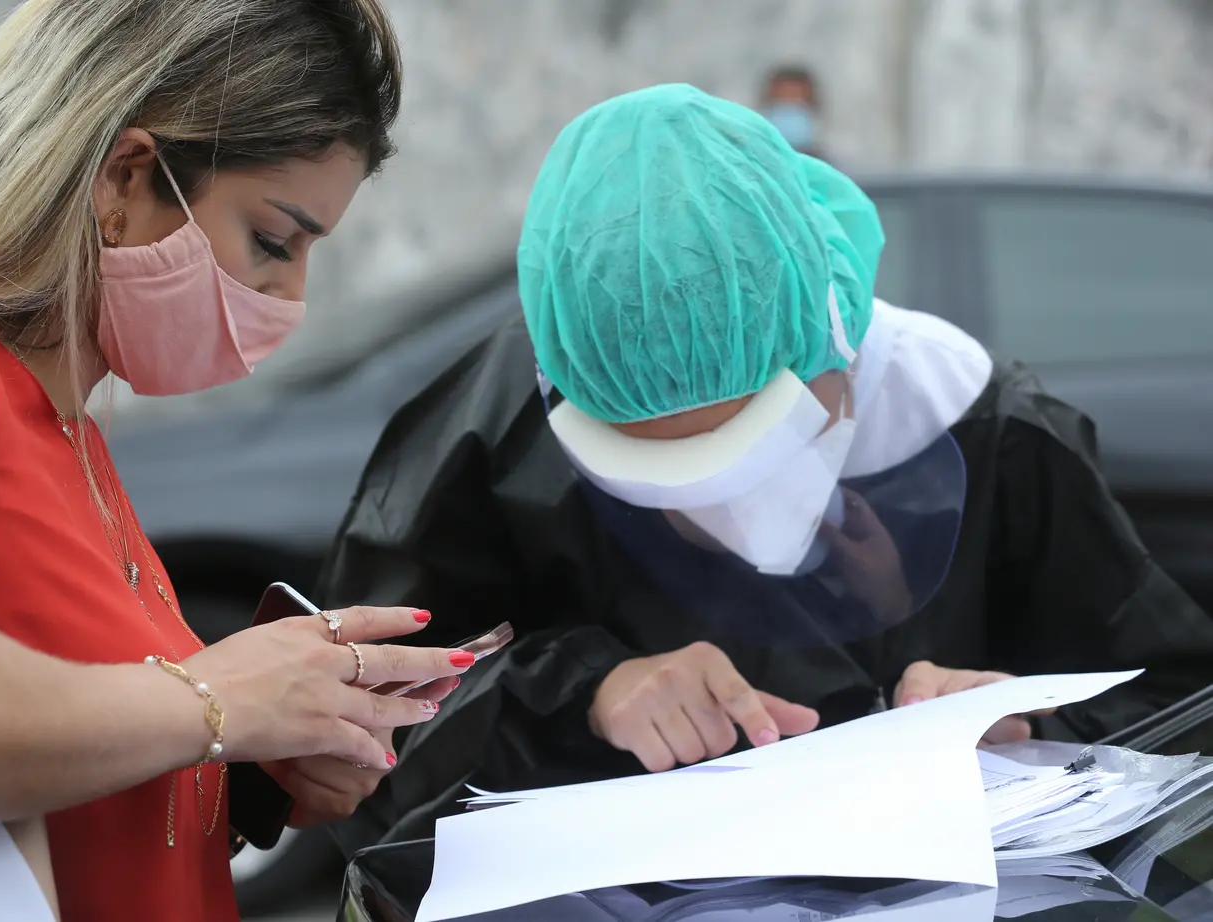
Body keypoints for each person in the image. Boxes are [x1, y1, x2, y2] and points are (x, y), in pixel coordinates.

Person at [318, 83, 1213, 852]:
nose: (707, 512)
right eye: (646, 472)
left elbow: (1175, 712)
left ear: (834, 336)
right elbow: (351, 745)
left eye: (749, 445)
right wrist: (582, 690)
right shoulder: (494, 432)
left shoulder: (994, 432)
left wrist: (1029, 720)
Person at [0, 2, 476, 920]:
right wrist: (221, 699)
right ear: (124, 179)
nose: (287, 297)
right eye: (272, 241)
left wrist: (262, 763)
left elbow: (81, 763)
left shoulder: (75, 436)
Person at [760, 64, 828, 159]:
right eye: (782, 103)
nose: (788, 111)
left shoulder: (833, 170)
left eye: (797, 104)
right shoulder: (743, 167)